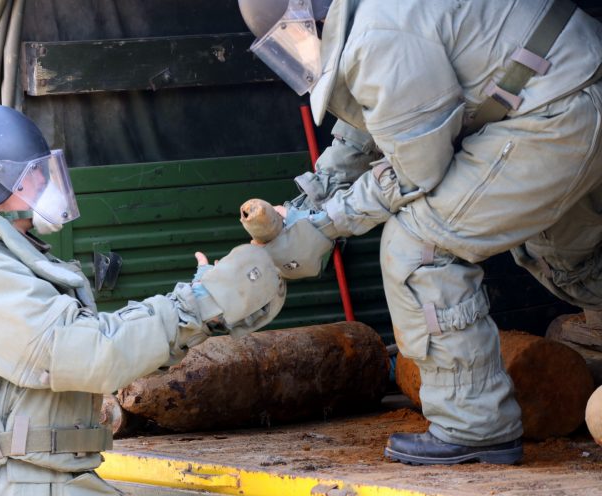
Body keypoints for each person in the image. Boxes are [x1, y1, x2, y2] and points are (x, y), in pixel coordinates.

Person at [239, 0, 602, 465]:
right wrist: (306, 204)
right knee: (574, 261)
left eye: (293, 38)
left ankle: (475, 428)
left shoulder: (376, 35)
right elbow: (366, 128)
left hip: (556, 111)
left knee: (421, 245)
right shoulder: (375, 17)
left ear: (313, 19)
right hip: (569, 86)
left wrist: (324, 226)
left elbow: (416, 172)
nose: (297, 51)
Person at [0, 104, 286, 496]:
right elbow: (93, 352)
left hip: (32, 490)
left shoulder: (1, 261)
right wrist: (196, 303)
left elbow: (84, 345)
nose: (44, 182)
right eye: (30, 175)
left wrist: (201, 303)